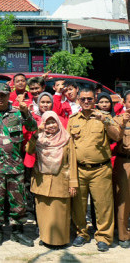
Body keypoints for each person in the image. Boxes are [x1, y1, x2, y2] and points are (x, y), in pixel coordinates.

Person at [0, 83, 37, 247]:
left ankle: (17, 232)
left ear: (8, 96)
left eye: (3, 95)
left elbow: (33, 127)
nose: (0, 98)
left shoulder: (18, 113)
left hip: (15, 167)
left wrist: (26, 112)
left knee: (18, 201)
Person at [68, 87, 121, 252]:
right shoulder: (73, 119)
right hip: (79, 169)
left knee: (103, 205)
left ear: (95, 100)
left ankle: (104, 236)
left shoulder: (104, 116)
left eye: (89, 99)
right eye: (83, 99)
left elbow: (117, 136)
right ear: (78, 100)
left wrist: (104, 121)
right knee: (79, 205)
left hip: (100, 169)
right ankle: (81, 233)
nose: (86, 102)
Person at [26, 111, 78, 247]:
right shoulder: (39, 138)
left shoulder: (66, 138)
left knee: (60, 212)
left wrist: (73, 183)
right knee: (43, 212)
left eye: (53, 122)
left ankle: (60, 241)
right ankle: (45, 237)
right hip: (41, 180)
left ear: (58, 122)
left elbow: (72, 162)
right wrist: (37, 133)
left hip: (61, 181)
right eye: (47, 123)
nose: (51, 126)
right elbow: (29, 150)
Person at [112, 90, 130, 248]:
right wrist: (124, 124)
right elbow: (115, 137)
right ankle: (123, 235)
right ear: (124, 103)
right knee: (123, 200)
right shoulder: (117, 120)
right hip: (125, 162)